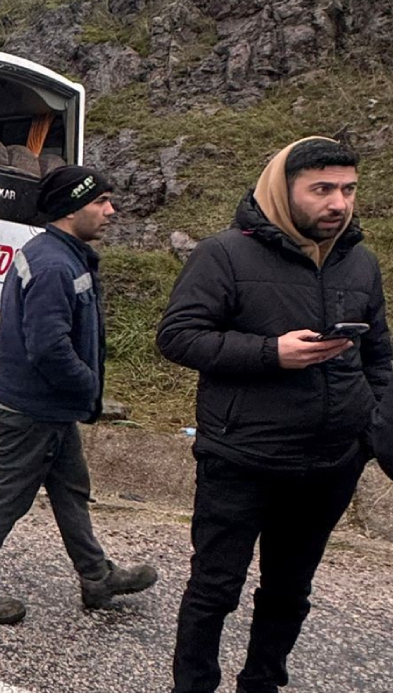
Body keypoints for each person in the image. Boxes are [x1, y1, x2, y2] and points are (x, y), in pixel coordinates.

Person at [156, 137, 390, 693]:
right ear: (284, 192)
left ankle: (261, 682)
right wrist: (270, 352)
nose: (339, 203)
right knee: (216, 587)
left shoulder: (360, 262)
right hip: (242, 456)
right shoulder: (224, 254)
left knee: (289, 590)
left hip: (331, 463)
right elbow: (178, 336)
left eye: (349, 189)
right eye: (323, 190)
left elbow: (380, 353)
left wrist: (371, 427)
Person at [0, 166, 158, 625]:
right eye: (100, 201)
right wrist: (89, 386)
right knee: (9, 496)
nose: (110, 210)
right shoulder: (55, 265)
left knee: (70, 489)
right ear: (71, 208)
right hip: (35, 407)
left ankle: (96, 576)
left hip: (48, 405)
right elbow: (48, 346)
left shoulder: (57, 254)